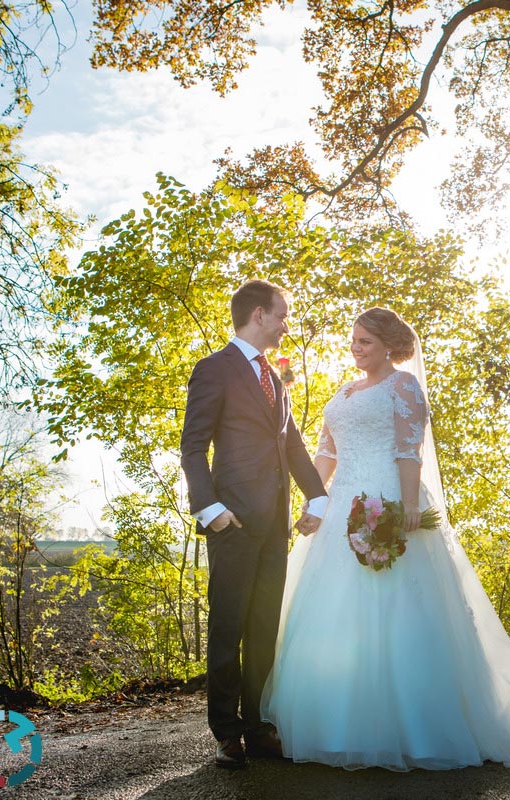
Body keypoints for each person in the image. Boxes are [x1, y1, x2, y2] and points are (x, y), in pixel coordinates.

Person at [261, 306, 510, 770]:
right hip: (340, 508)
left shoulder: (402, 385)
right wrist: (313, 502)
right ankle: (335, 727)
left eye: (365, 342)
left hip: (386, 499)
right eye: (353, 341)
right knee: (332, 614)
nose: (355, 349)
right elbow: (325, 452)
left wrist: (406, 507)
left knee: (397, 609)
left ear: (387, 346)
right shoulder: (343, 391)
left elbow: (407, 449)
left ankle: (412, 729)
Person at [180, 279, 329, 769]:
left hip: (276, 524)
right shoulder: (214, 369)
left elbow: (292, 447)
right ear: (259, 315)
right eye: (282, 315)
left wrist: (319, 496)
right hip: (233, 522)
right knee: (228, 626)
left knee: (265, 626)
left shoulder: (275, 375)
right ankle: (226, 731)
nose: (286, 324)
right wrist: (209, 509)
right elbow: (193, 446)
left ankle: (258, 723)